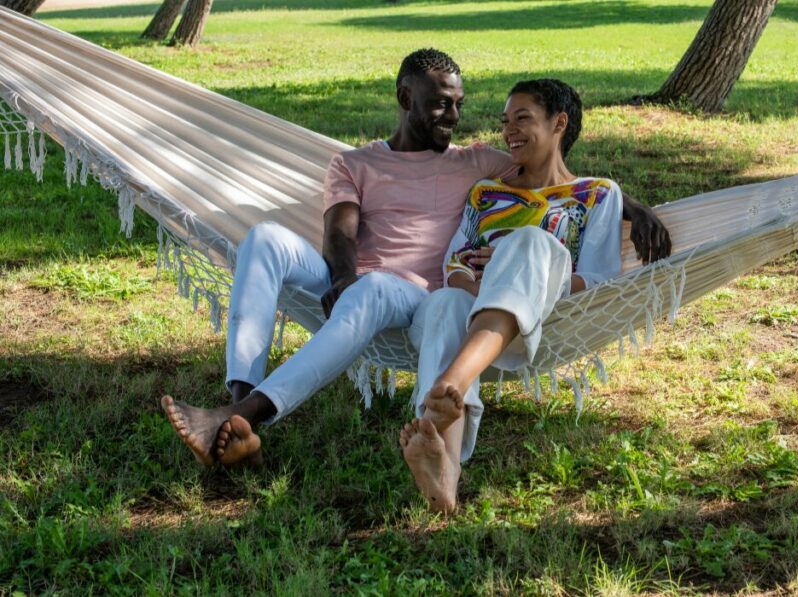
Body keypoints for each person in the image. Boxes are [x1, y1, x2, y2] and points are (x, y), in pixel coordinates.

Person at [161, 49, 671, 468]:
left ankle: (248, 414)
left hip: (419, 295)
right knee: (265, 238)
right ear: (406, 98)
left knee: (374, 289)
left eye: (458, 105)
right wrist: (343, 278)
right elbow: (338, 231)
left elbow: (554, 177)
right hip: (354, 278)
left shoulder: (477, 163)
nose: (453, 116)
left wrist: (634, 206)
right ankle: (239, 398)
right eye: (440, 104)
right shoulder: (354, 162)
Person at [400, 79, 622, 513]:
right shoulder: (486, 195)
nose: (509, 131)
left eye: (522, 118)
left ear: (560, 123)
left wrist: (512, 266)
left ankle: (450, 389)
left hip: (544, 313)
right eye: (505, 122)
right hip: (474, 307)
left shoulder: (596, 194)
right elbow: (453, 266)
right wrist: (488, 285)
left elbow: (599, 280)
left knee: (529, 243)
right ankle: (446, 472)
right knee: (445, 303)